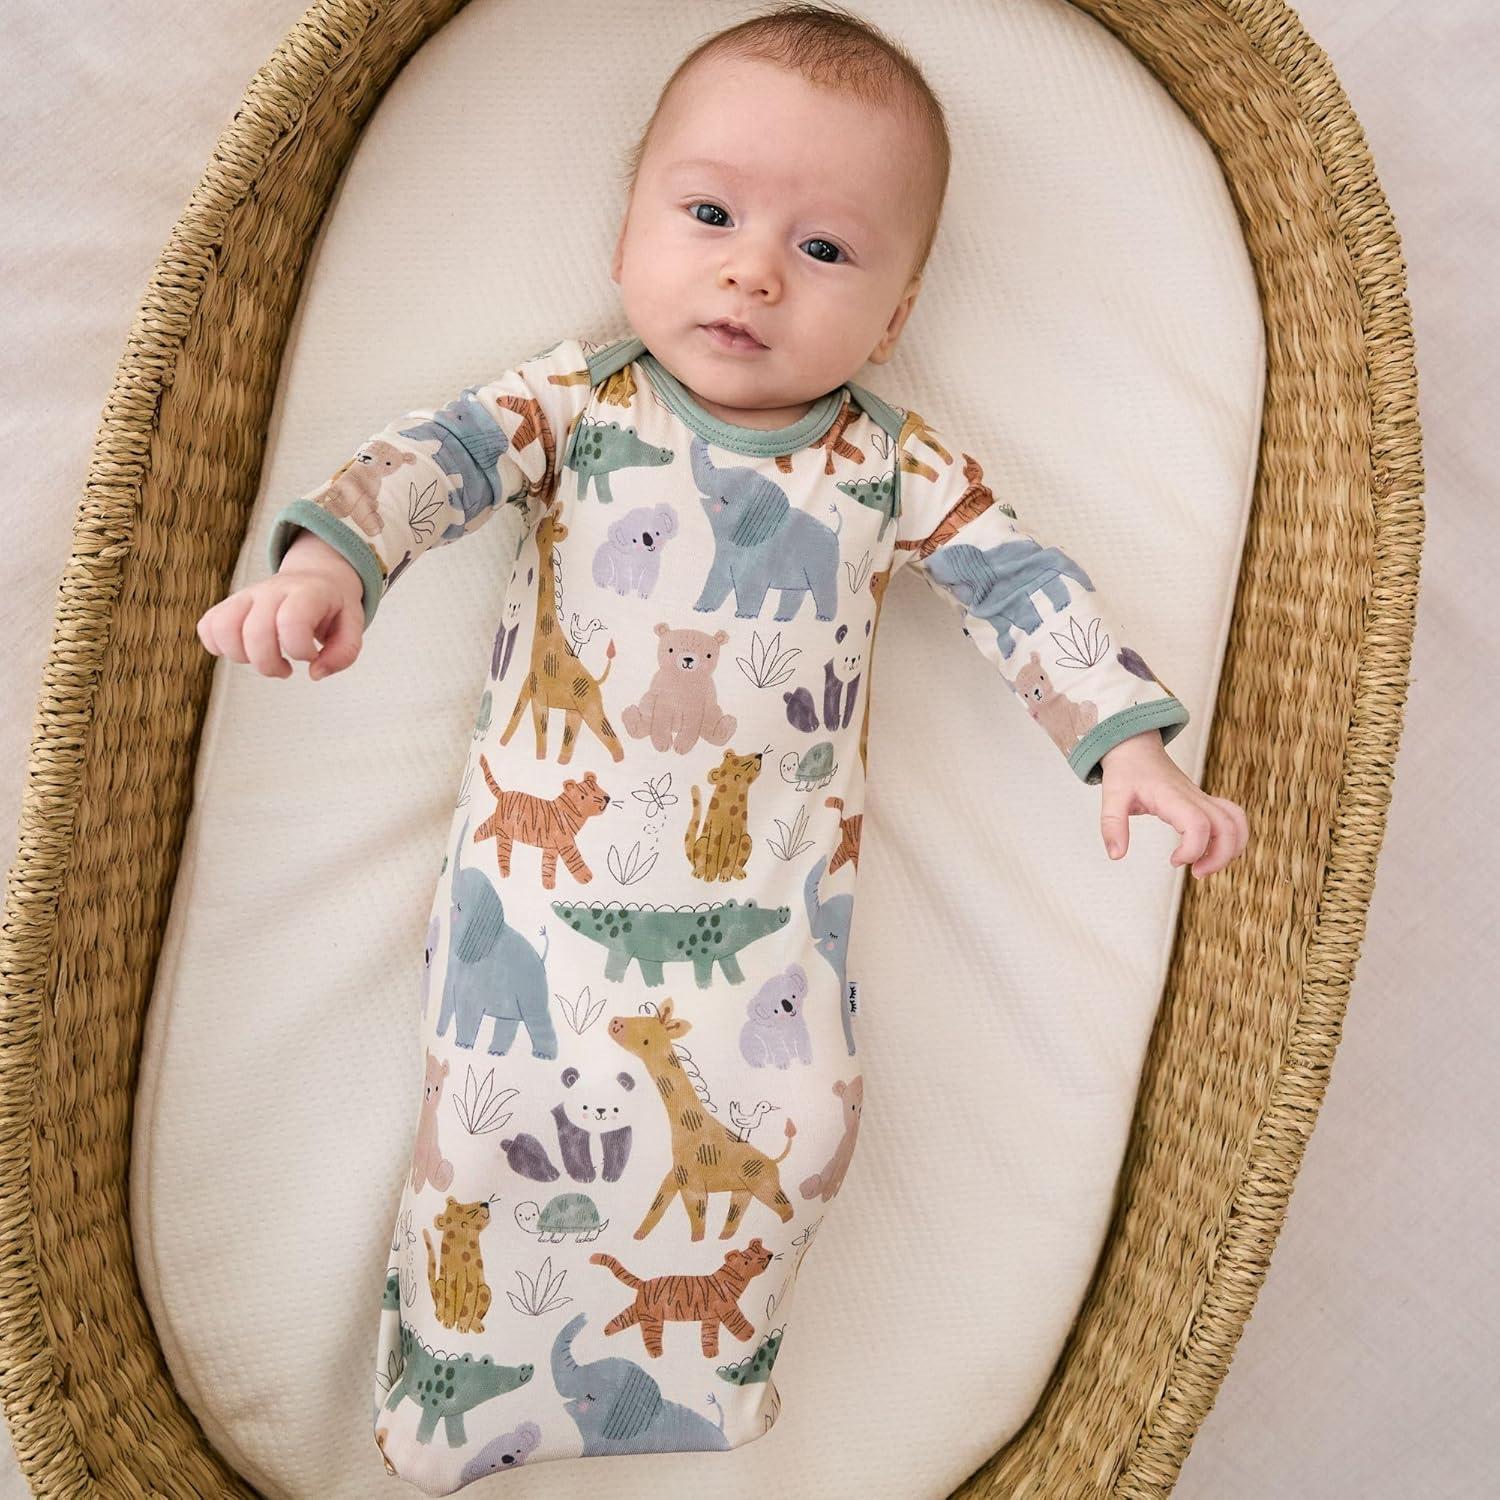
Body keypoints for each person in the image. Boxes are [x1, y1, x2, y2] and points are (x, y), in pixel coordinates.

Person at [196, 3, 1248, 1490]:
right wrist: (328, 568)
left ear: (894, 316)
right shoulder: (576, 404)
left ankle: (706, 1387)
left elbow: (1022, 588)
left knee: (795, 1125)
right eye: (709, 216)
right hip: (543, 912)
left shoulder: (886, 465)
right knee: (492, 1138)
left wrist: (1126, 750)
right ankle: (450, 1400)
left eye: (824, 248)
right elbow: (434, 460)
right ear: (626, 236)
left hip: (767, 931)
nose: (755, 271)